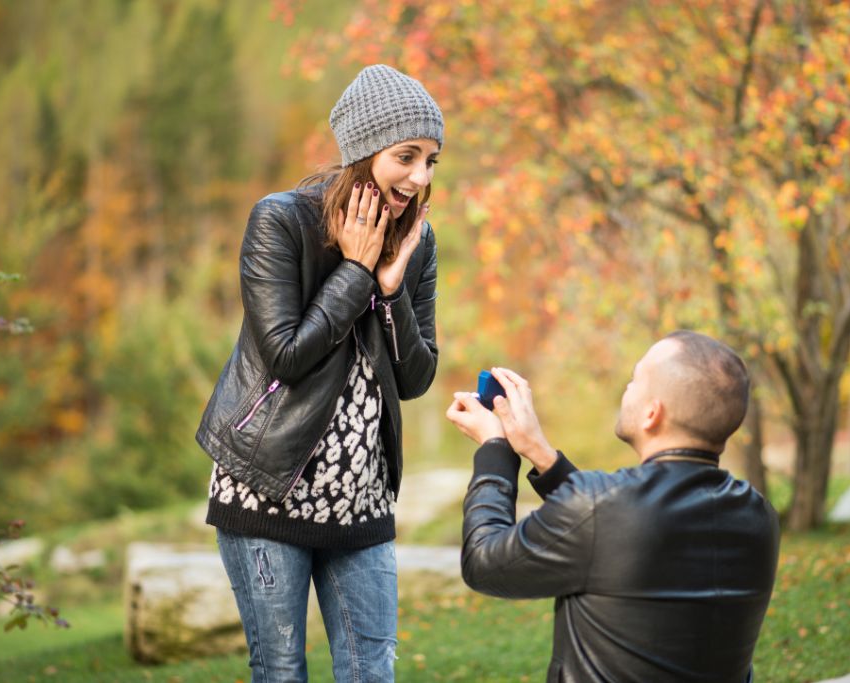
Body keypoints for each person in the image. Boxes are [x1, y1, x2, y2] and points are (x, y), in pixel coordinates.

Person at [195, 64, 443, 683]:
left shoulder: (417, 241)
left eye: (432, 160)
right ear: (363, 151)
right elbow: (286, 356)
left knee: (371, 672)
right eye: (406, 156)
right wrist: (356, 275)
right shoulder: (281, 222)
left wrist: (388, 294)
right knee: (281, 671)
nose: (419, 177)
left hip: (361, 502)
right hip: (267, 487)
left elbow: (416, 378)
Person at [445, 331, 780, 683]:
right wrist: (539, 452)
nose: (627, 388)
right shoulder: (759, 517)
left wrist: (495, 448)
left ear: (652, 413)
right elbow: (619, 527)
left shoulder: (600, 508)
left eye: (635, 381)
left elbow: (483, 562)